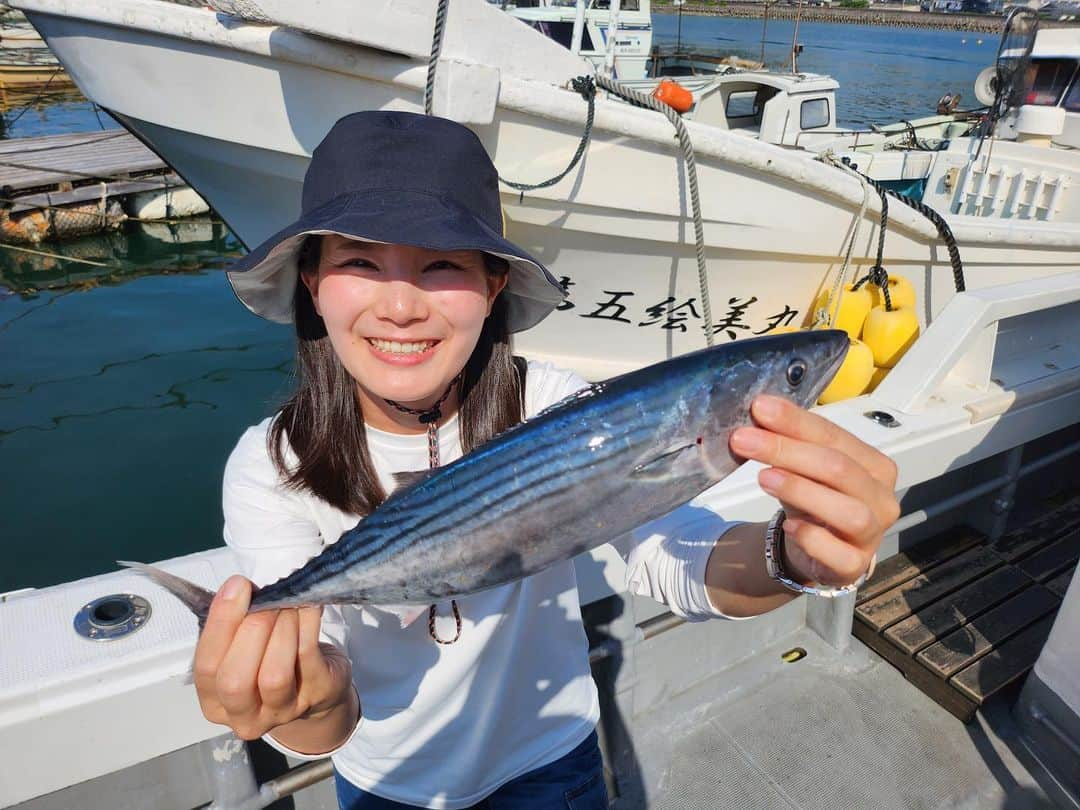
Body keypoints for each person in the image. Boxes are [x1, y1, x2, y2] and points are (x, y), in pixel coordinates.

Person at [197, 111, 900, 809]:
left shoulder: (554, 403)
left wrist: (795, 558)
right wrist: (301, 701)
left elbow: (672, 552)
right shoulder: (270, 465)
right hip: (387, 783)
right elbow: (328, 716)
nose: (402, 306)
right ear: (313, 285)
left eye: (442, 263)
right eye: (358, 261)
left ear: (493, 286)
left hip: (552, 768)